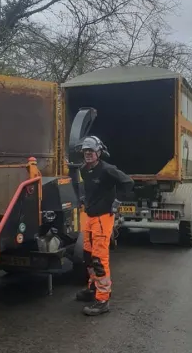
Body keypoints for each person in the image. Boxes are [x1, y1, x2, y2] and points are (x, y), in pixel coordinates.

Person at [76, 135, 134, 316]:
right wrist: (84, 199)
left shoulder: (108, 170)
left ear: (99, 152)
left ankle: (102, 299)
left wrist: (117, 202)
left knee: (99, 259)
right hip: (89, 216)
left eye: (91, 151)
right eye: (86, 151)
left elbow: (128, 182)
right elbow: (86, 187)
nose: (88, 154)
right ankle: (93, 288)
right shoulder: (84, 170)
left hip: (102, 218)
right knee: (87, 255)